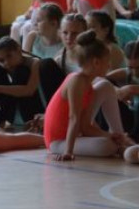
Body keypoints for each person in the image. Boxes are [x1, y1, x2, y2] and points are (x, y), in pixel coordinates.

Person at [43, 30, 130, 160]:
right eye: (107, 61)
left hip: (76, 134)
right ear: (96, 62)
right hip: (58, 142)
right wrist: (68, 151)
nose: (109, 65)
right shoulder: (77, 81)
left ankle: (121, 138)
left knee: (105, 86)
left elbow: (85, 127)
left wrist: (110, 135)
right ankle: (121, 144)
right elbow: (74, 118)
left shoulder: (87, 83)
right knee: (107, 146)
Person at [0, 37, 42, 128]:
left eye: (9, 56)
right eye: (2, 60)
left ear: (18, 50)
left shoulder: (34, 62)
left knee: (21, 71)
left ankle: (28, 122)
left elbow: (30, 90)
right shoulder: (1, 63)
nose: (6, 63)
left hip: (33, 106)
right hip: (11, 107)